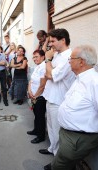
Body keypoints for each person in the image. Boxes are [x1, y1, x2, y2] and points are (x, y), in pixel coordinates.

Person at [44, 45, 98, 170]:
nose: (68, 61)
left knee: (60, 166)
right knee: (64, 164)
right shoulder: (80, 78)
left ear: (81, 62)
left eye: (71, 58)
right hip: (69, 134)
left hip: (78, 137)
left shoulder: (94, 82)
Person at [39, 28, 75, 157]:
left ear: (63, 40)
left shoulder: (68, 57)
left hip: (59, 99)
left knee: (57, 130)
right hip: (51, 96)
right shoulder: (58, 55)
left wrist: (48, 60)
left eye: (53, 41)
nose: (50, 44)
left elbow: (51, 75)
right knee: (51, 127)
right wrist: (50, 68)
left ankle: (57, 160)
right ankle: (52, 148)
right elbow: (47, 73)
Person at [27, 50, 46, 143]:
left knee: (40, 116)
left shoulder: (44, 67)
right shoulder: (37, 66)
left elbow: (42, 85)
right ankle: (36, 130)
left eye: (36, 57)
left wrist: (35, 96)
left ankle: (41, 136)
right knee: (36, 115)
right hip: (34, 95)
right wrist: (29, 90)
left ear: (43, 57)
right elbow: (31, 81)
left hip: (40, 97)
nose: (34, 59)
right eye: (33, 57)